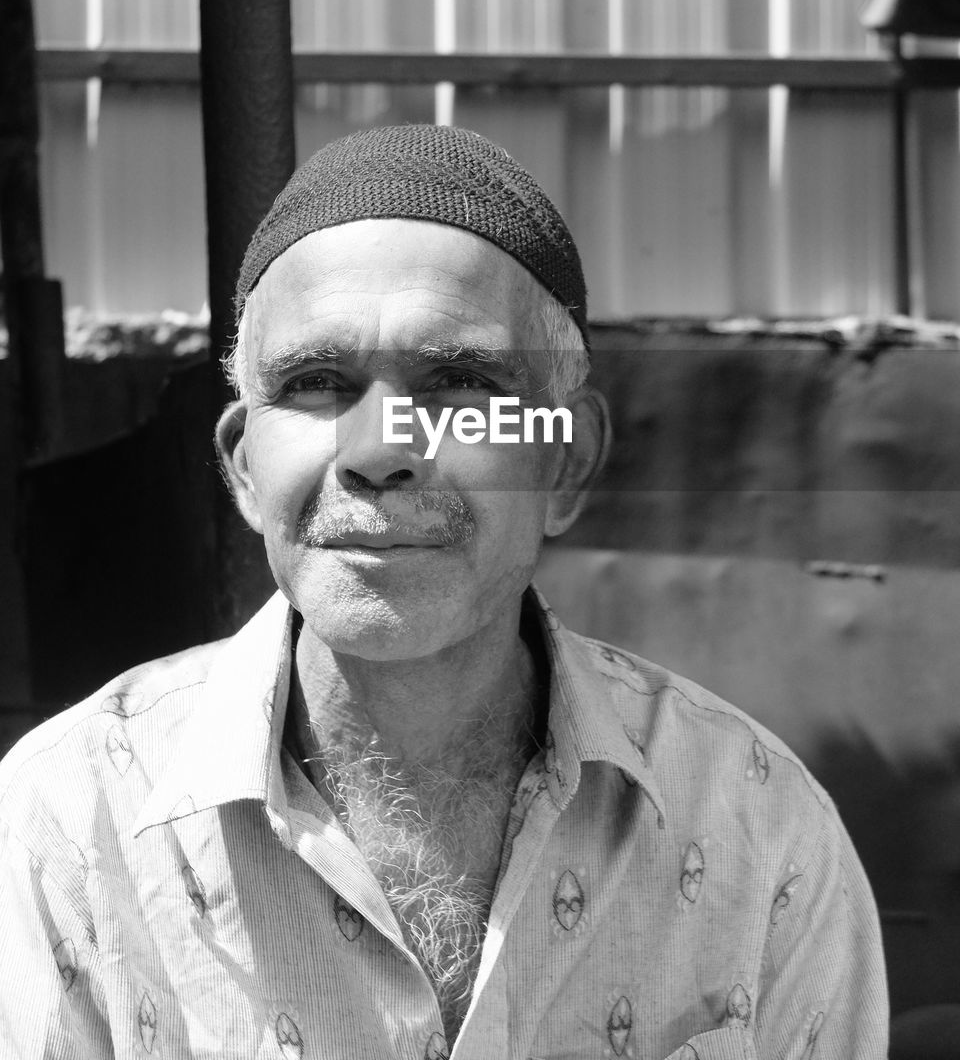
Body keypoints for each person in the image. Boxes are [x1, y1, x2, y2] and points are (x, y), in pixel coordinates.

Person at [0, 124, 887, 1059]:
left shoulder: (758, 828)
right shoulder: (69, 820)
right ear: (244, 469)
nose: (380, 450)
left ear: (566, 458)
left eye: (457, 382)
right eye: (314, 382)